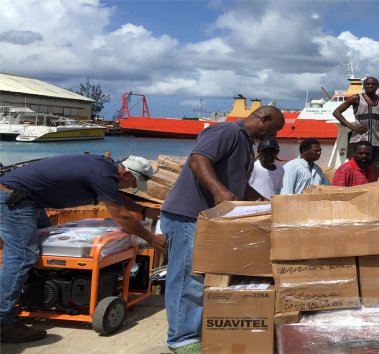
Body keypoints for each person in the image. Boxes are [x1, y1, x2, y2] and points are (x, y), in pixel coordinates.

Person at [0, 154, 167, 343]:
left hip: (30, 199)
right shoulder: (103, 174)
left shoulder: (104, 169)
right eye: (132, 183)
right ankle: (4, 321)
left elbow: (115, 196)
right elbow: (121, 216)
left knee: (43, 251)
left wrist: (143, 210)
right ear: (126, 173)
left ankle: (36, 297)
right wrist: (151, 239)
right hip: (15, 199)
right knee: (22, 256)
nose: (132, 188)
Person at [159, 106, 285, 353]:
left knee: (201, 277)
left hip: (208, 219)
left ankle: (191, 329)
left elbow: (238, 185)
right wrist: (218, 191)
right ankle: (181, 339)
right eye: (276, 128)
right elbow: (198, 161)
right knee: (187, 278)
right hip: (188, 215)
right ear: (265, 119)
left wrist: (265, 203)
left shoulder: (246, 145)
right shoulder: (227, 131)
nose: (276, 134)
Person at [332, 77, 379, 170]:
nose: (370, 86)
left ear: (377, 86)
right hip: (358, 140)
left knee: (376, 167)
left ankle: (372, 184)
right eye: (368, 84)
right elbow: (336, 112)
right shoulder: (356, 98)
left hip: (377, 141)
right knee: (354, 166)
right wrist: (352, 127)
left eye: (373, 84)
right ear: (363, 86)